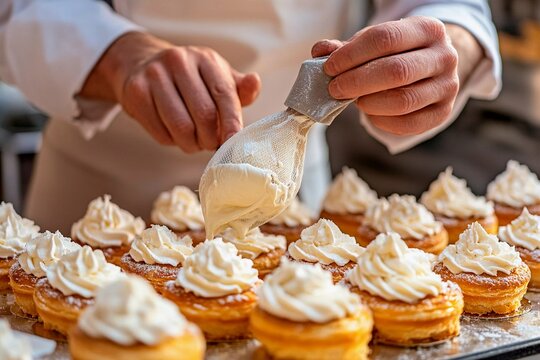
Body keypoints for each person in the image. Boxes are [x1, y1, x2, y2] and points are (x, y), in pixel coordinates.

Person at [0, 0, 500, 233]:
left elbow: (453, 10)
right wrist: (114, 54)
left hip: (284, 203)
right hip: (89, 204)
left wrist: (446, 41)